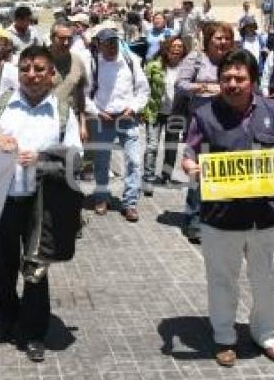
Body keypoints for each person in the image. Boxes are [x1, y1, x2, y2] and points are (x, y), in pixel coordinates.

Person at [0, 45, 83, 363]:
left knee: (36, 269)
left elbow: (76, 156)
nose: (31, 75)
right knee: (1, 266)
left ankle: (33, 332)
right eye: (25, 68)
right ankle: (5, 318)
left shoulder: (62, 111)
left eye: (39, 69)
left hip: (41, 205)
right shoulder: (1, 104)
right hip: (0, 200)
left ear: (52, 74)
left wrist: (41, 159)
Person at [181, 49, 274, 368]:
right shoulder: (204, 114)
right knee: (222, 279)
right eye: (226, 78)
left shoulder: (272, 110)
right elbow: (188, 154)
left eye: (239, 78)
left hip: (265, 216)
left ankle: (268, 336)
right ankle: (224, 337)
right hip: (221, 218)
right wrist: (191, 166)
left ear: (253, 81)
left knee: (267, 279)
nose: (232, 84)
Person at [174, 22, 235, 243]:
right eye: (218, 38)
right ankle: (194, 220)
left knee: (220, 171)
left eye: (227, 38)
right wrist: (204, 88)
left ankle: (216, 219)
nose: (223, 42)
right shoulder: (196, 59)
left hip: (227, 123)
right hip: (200, 124)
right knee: (198, 171)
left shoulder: (233, 61)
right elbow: (180, 84)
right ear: (209, 40)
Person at [84, 27, 150, 222]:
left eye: (114, 42)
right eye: (107, 43)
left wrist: (134, 108)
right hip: (103, 119)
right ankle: (102, 197)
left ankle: (130, 203)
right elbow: (85, 95)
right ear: (99, 45)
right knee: (102, 162)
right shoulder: (93, 64)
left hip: (128, 118)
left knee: (134, 161)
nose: (112, 46)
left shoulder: (131, 61)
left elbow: (143, 90)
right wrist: (97, 112)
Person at [142, 37, 188, 195]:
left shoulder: (186, 69)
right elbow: (143, 87)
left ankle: (166, 176)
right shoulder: (154, 66)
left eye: (180, 47)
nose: (177, 49)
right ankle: (148, 178)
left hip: (176, 113)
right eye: (174, 46)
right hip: (155, 111)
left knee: (171, 147)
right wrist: (142, 109)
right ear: (167, 48)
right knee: (152, 146)